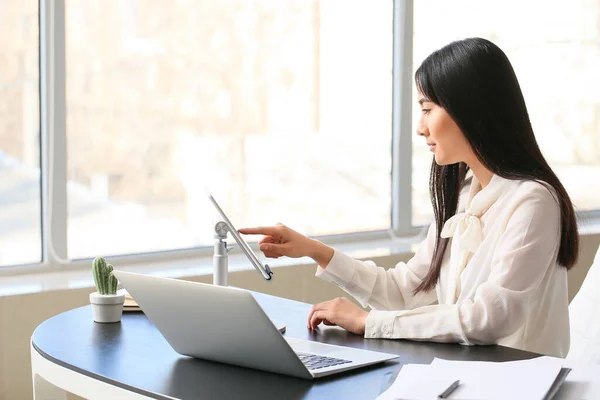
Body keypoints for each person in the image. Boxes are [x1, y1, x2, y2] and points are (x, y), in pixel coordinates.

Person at [239, 37, 579, 358]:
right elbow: (405, 291)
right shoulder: (463, 195)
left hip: (524, 385)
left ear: (471, 110)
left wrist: (368, 323)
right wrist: (315, 250)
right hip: (465, 375)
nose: (420, 127)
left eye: (428, 109)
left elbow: (488, 318)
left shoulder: (533, 201)